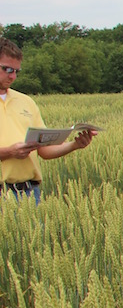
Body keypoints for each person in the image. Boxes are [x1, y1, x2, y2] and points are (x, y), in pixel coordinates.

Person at [0, 38, 96, 203]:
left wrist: (75, 145)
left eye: (17, 71)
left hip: (29, 193)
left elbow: (44, 151)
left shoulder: (26, 102)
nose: (13, 76)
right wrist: (9, 152)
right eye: (7, 69)